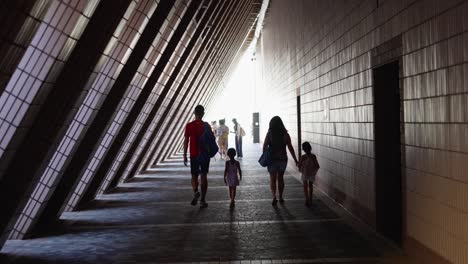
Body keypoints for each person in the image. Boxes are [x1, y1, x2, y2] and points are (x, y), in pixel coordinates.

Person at [263, 116, 299, 206]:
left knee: (273, 179)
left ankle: (274, 196)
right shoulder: (285, 134)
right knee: (281, 178)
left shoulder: (269, 134)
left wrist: (265, 156)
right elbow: (290, 147)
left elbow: (264, 146)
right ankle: (281, 197)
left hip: (272, 159)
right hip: (282, 159)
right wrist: (295, 159)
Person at [184, 105, 209, 208]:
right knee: (204, 176)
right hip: (204, 155)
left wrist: (185, 155)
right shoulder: (206, 126)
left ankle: (195, 191)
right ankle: (202, 200)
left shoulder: (189, 125)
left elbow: (186, 141)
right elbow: (210, 141)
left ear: (194, 113)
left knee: (194, 175)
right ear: (203, 113)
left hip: (194, 154)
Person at [299, 142, 320, 207]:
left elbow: (299, 165)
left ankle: (307, 199)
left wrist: (300, 166)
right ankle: (310, 199)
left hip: (305, 172)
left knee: (305, 186)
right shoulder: (313, 156)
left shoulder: (303, 157)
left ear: (304, 149)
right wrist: (314, 170)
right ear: (310, 148)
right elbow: (317, 165)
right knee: (310, 186)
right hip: (311, 173)